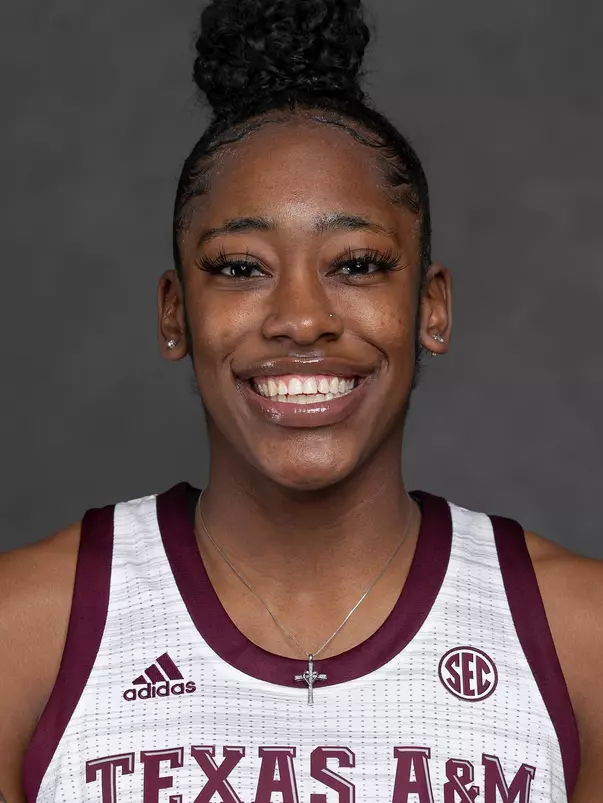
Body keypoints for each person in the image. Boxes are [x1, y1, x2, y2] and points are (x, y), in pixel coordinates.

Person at [1, 0, 602, 800]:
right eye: (241, 267)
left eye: (355, 263)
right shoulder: (27, 631)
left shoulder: (577, 638)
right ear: (175, 312)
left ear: (431, 308)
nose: (301, 320)